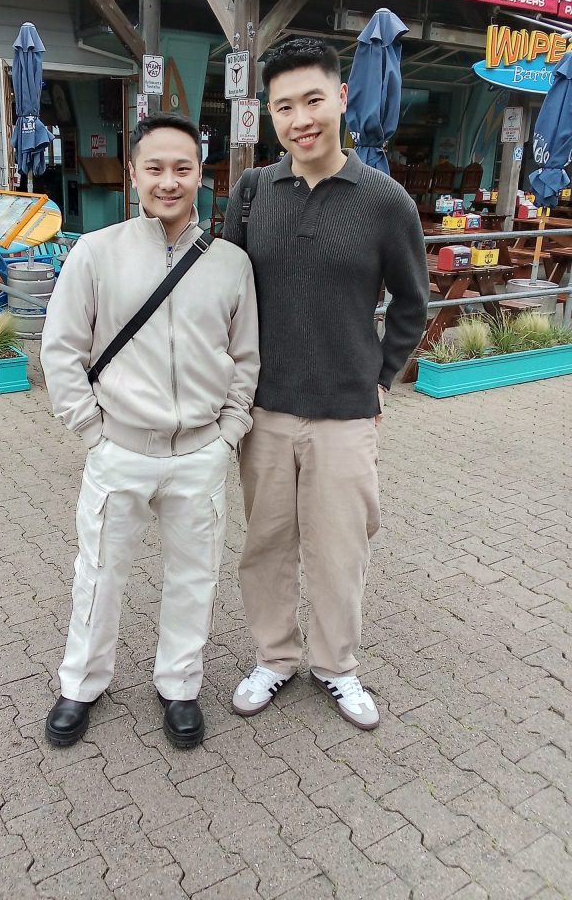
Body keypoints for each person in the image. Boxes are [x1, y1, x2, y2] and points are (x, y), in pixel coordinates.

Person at [223, 38, 428, 730]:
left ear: (341, 99)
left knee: (341, 550)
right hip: (265, 412)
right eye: (284, 106)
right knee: (266, 544)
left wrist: (379, 381)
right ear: (270, 116)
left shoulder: (385, 202)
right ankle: (275, 657)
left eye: (313, 99)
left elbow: (411, 303)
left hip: (345, 415)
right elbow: (227, 292)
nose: (300, 118)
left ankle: (338, 667)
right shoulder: (252, 193)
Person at [40, 112, 259, 749]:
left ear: (202, 176)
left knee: (194, 578)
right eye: (155, 167)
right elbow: (62, 349)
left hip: (200, 453)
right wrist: (90, 430)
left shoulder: (230, 263)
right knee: (100, 573)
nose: (169, 181)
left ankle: (180, 685)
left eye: (182, 168)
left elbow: (246, 358)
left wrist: (229, 433)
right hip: (120, 450)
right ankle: (81, 683)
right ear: (134, 172)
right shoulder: (96, 252)